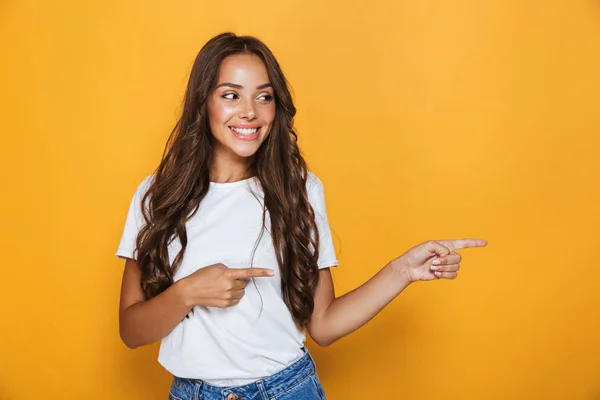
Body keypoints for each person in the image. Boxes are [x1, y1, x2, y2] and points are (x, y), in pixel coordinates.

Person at [115, 32, 487, 400]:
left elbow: (323, 324)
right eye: (231, 95)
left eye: (264, 97)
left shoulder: (299, 190)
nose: (249, 111)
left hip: (287, 390)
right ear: (203, 103)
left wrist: (402, 270)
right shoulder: (157, 195)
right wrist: (188, 292)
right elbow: (131, 331)